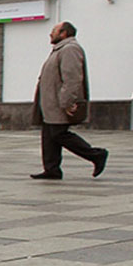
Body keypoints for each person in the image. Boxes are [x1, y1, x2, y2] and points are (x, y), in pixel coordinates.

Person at [30, 21, 108, 180]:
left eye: (54, 31)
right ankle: (52, 169)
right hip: (49, 103)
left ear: (64, 33)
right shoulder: (59, 50)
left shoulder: (70, 49)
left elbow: (72, 79)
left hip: (58, 103)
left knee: (59, 134)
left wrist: (66, 102)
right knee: (49, 136)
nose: (50, 34)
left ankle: (96, 155)